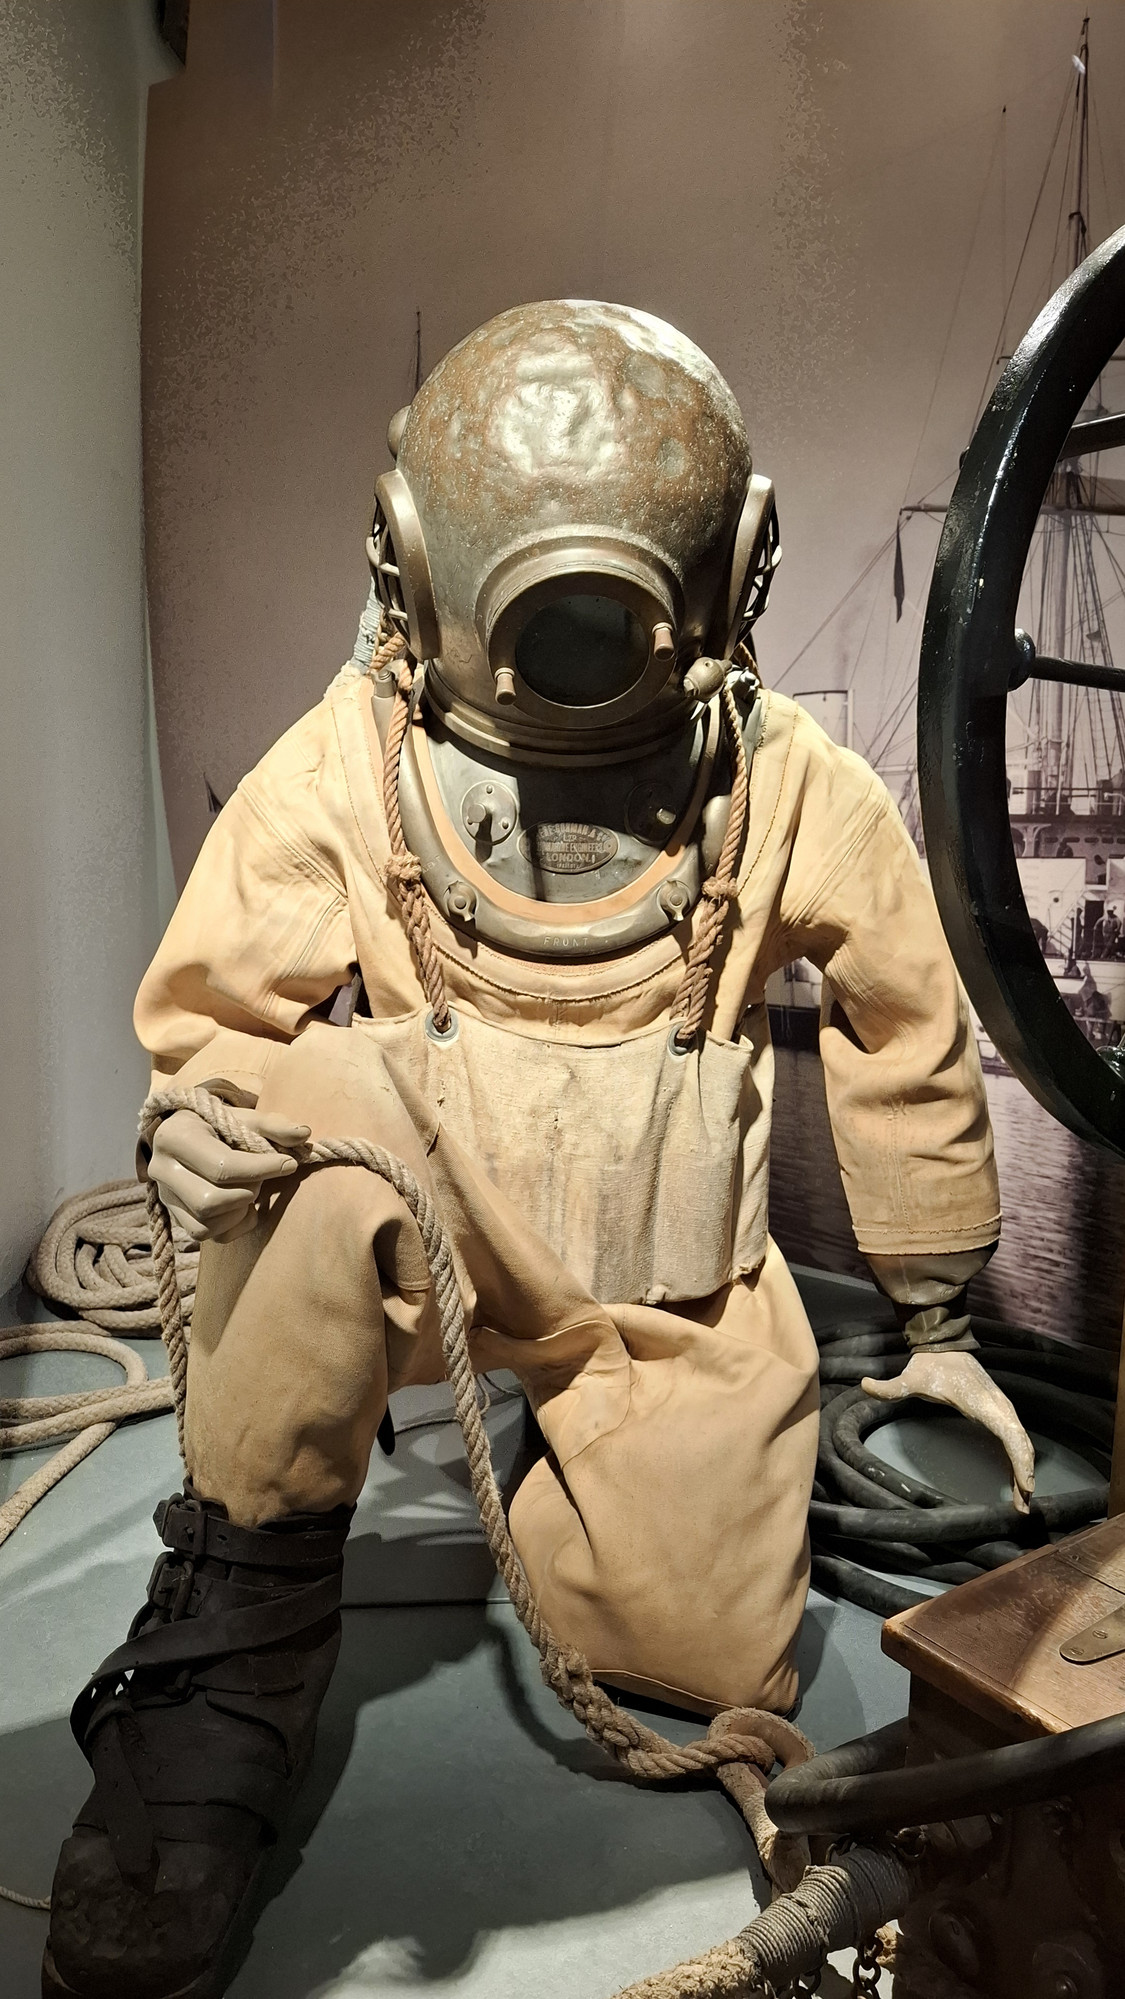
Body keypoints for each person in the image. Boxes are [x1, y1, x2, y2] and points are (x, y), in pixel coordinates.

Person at [43, 301, 1033, 1999]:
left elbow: (899, 1018)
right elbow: (216, 1021)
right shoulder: (351, 765)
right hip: (409, 1251)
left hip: (666, 1302)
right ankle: (239, 1621)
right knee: (313, 1111)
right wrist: (203, 1130)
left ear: (728, 570)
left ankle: (598, 1485)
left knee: (701, 1658)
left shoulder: (785, 787)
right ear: (411, 567)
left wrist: (935, 1312)